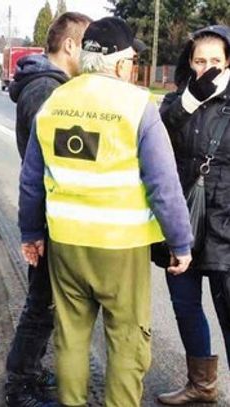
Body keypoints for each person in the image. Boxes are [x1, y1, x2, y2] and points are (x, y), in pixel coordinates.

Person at [19, 17, 193, 407]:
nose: (133, 67)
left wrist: (30, 235)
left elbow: (31, 181)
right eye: (132, 59)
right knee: (128, 341)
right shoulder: (136, 107)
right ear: (118, 64)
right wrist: (180, 242)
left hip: (66, 246)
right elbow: (163, 186)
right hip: (121, 250)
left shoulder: (54, 103)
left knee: (71, 338)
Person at [5, 12, 91, 407]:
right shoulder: (45, 91)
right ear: (71, 45)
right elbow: (57, 158)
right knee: (42, 303)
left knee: (47, 301)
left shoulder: (48, 85)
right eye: (88, 45)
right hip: (49, 212)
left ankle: (30, 369)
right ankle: (20, 382)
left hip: (51, 210)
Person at [156, 25, 230, 405]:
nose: (208, 68)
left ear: (228, 61)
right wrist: (188, 100)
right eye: (200, 60)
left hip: (225, 228)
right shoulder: (175, 102)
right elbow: (156, 135)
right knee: (185, 307)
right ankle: (201, 385)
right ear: (190, 61)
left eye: (216, 61)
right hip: (181, 224)